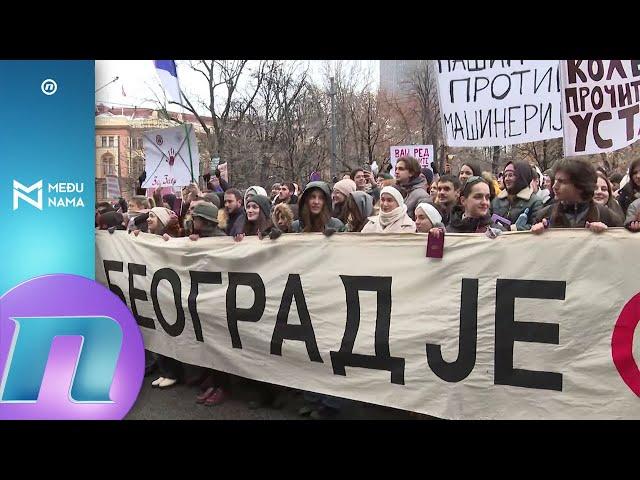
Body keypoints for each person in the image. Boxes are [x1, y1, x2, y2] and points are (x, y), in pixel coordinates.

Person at [133, 207, 183, 389]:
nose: (148, 219)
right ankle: (164, 370)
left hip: (168, 292)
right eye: (148, 216)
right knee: (158, 331)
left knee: (169, 332)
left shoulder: (170, 238)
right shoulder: (147, 237)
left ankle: (173, 372)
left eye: (152, 216)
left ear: (161, 221)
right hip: (154, 290)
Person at [187, 203, 231, 406]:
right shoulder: (201, 238)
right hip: (205, 298)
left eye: (195, 217)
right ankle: (213, 383)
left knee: (220, 346)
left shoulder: (220, 240)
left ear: (203, 221)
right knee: (209, 345)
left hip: (218, 300)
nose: (191, 220)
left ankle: (222, 386)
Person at [532, 158, 623, 234]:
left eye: (562, 182)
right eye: (555, 181)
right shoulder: (544, 215)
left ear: (580, 185)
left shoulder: (607, 217)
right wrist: (537, 234)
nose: (554, 186)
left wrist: (608, 234)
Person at [491, 161, 543, 230]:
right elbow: (487, 220)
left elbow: (537, 227)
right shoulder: (497, 200)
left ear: (522, 177)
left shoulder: (535, 202)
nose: (506, 179)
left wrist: (514, 229)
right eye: (505, 175)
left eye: (510, 175)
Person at [394, 156, 431, 220]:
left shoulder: (422, 196)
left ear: (411, 173)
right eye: (396, 169)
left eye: (401, 169)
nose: (396, 172)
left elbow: (422, 224)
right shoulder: (395, 191)